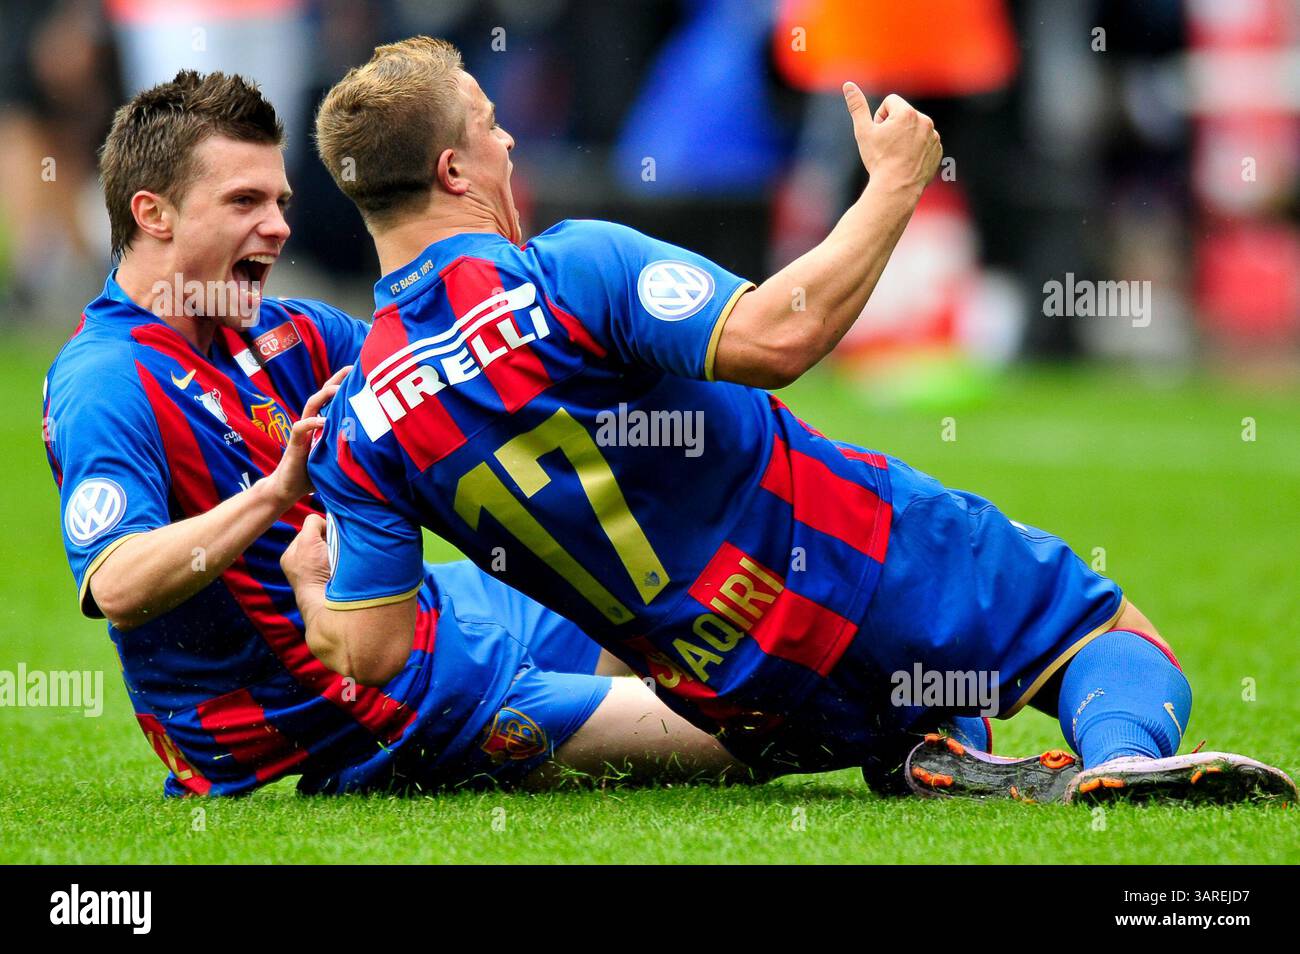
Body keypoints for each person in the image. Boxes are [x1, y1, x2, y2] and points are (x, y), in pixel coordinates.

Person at [301, 37, 1294, 804]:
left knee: (929, 697)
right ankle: (1120, 762)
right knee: (1094, 630)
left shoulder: (356, 424)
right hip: (847, 555)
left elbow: (379, 650)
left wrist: (312, 577)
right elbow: (779, 336)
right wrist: (895, 183)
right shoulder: (567, 270)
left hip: (733, 694)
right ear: (453, 171)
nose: (508, 137)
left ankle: (923, 752)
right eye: (485, 122)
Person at [44, 69, 754, 798]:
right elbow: (119, 582)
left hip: (427, 617)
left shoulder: (289, 333)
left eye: (281, 201)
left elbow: (456, 370)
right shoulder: (106, 379)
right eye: (244, 202)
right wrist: (277, 492)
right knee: (749, 727)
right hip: (337, 708)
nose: (280, 226)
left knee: (663, 600)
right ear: (152, 214)